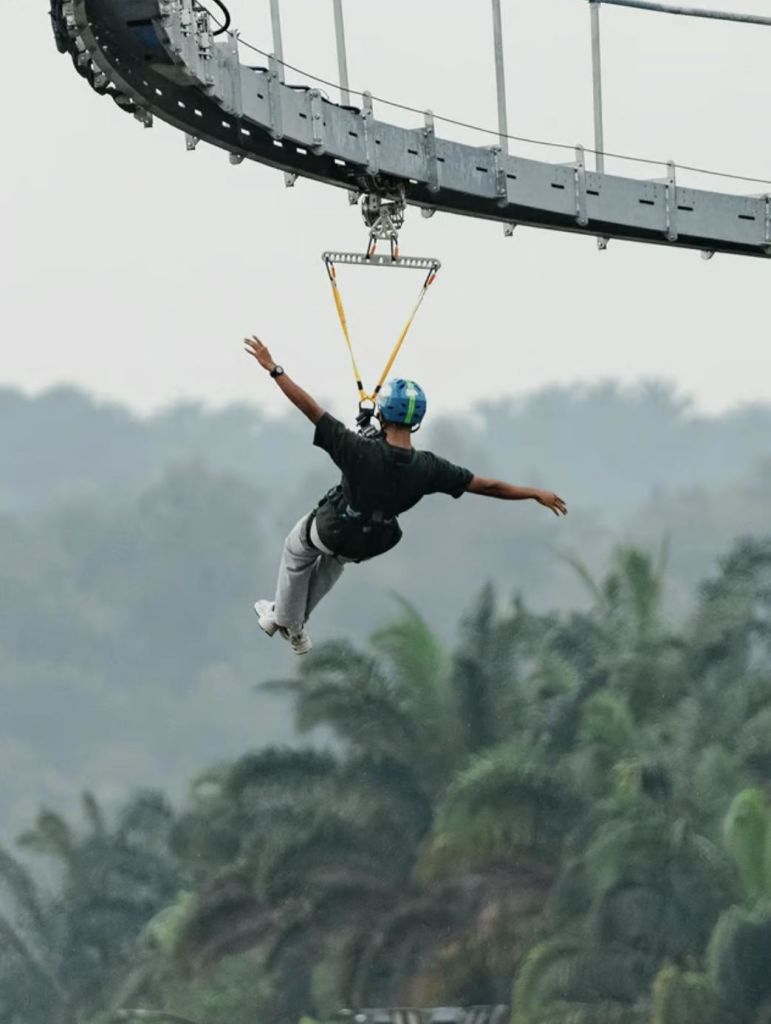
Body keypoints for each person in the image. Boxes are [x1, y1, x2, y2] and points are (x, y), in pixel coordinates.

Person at [244, 335, 567, 655]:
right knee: (333, 562)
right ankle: (289, 623)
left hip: (336, 526)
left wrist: (274, 369)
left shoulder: (356, 449)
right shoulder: (429, 468)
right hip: (373, 542)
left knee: (297, 549)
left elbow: (309, 408)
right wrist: (533, 493)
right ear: (416, 421)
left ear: (383, 413)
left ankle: (287, 621)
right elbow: (488, 487)